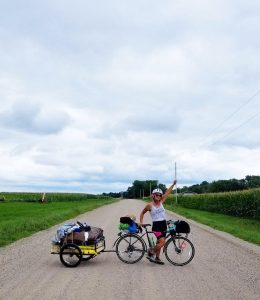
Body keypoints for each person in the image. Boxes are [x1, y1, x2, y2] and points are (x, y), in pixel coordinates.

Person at [139, 180, 177, 265]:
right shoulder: (149, 205)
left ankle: (157, 258)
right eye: (157, 195)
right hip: (156, 226)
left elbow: (167, 192)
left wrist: (173, 184)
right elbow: (142, 213)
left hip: (163, 224)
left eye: (160, 195)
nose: (159, 196)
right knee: (162, 242)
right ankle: (151, 252)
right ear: (153, 195)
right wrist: (141, 222)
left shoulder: (161, 202)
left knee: (159, 242)